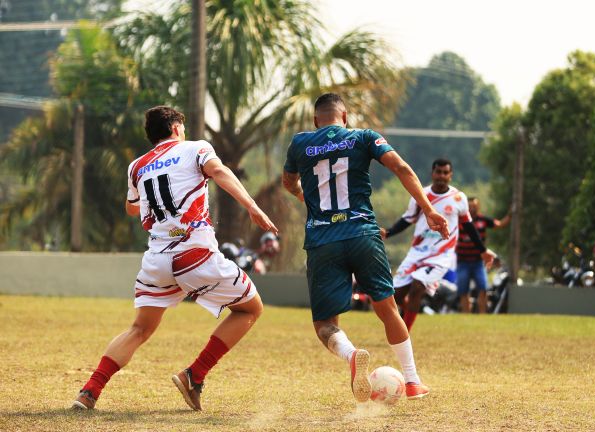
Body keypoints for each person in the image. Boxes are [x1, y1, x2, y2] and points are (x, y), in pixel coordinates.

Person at [72, 106, 278, 411]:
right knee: (250, 309)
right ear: (177, 127)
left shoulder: (137, 166)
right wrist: (252, 206)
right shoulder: (196, 149)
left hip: (156, 260)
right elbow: (219, 171)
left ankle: (89, 391)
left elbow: (132, 208)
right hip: (194, 255)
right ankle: (194, 375)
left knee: (138, 330)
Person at [282, 93, 449, 402]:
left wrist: (303, 196)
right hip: (362, 233)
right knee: (387, 308)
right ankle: (412, 382)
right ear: (344, 117)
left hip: (322, 240)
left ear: (316, 120)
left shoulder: (300, 143)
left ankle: (351, 354)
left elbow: (289, 182)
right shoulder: (363, 137)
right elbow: (401, 168)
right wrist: (428, 209)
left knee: (324, 324)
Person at [382, 159, 495, 329]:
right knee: (395, 297)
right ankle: (410, 310)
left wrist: (483, 250)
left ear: (450, 175)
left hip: (441, 255)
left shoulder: (458, 198)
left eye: (445, 173)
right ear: (432, 173)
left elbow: (469, 226)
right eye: (438, 172)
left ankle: (404, 334)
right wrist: (388, 232)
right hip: (416, 252)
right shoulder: (421, 194)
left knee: (417, 287)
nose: (441, 176)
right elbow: (407, 219)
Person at [455, 197, 510, 313]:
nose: (472, 209)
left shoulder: (483, 220)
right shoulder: (457, 220)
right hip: (462, 261)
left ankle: (482, 315)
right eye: (470, 206)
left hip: (478, 261)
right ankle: (466, 316)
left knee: (483, 288)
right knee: (463, 291)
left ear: (478, 207)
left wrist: (511, 213)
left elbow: (499, 224)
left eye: (474, 206)